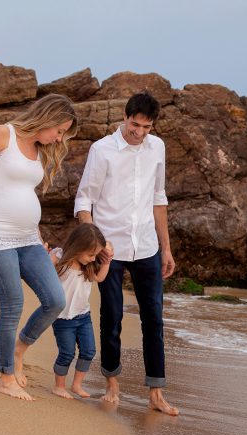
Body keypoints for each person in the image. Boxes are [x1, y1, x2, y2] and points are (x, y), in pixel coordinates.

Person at [0, 94, 77, 400]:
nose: (58, 138)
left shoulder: (39, 149)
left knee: (56, 300)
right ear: (46, 118)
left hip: (29, 239)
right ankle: (6, 376)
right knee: (12, 307)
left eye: (62, 133)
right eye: (58, 130)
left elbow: (23, 193)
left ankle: (19, 349)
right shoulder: (3, 134)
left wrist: (36, 235)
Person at [74, 91, 179, 416]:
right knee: (112, 317)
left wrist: (166, 247)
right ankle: (112, 385)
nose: (140, 132)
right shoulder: (102, 149)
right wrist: (95, 245)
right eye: (135, 125)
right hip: (110, 247)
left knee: (154, 320)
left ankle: (156, 393)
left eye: (147, 127)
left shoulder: (157, 147)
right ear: (125, 116)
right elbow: (84, 200)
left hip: (146, 245)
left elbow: (158, 197)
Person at [48, 223, 113, 399]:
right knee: (67, 352)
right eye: (91, 254)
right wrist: (45, 253)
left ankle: (77, 385)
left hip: (83, 315)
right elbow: (43, 269)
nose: (93, 258)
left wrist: (107, 260)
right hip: (62, 317)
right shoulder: (60, 258)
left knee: (89, 351)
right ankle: (59, 386)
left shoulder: (88, 266)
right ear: (78, 247)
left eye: (96, 255)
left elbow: (100, 277)